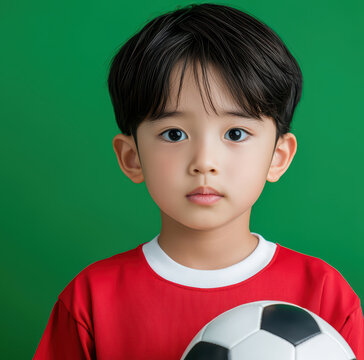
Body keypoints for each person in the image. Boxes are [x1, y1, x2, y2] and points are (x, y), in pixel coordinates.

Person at [33, 3, 364, 359]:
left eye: (236, 133)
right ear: (131, 158)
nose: (204, 162)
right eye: (174, 134)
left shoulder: (323, 293)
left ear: (278, 157)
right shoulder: (91, 299)